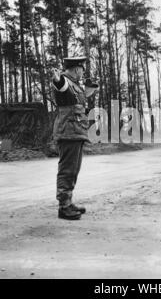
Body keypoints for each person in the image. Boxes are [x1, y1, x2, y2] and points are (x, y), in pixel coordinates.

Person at [51, 56, 98, 220]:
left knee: (73, 170)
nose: (82, 73)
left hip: (76, 132)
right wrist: (57, 79)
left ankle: (68, 202)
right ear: (76, 69)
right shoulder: (65, 81)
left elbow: (77, 103)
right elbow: (60, 86)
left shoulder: (76, 86)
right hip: (68, 133)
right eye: (81, 70)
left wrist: (89, 92)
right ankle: (63, 207)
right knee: (67, 170)